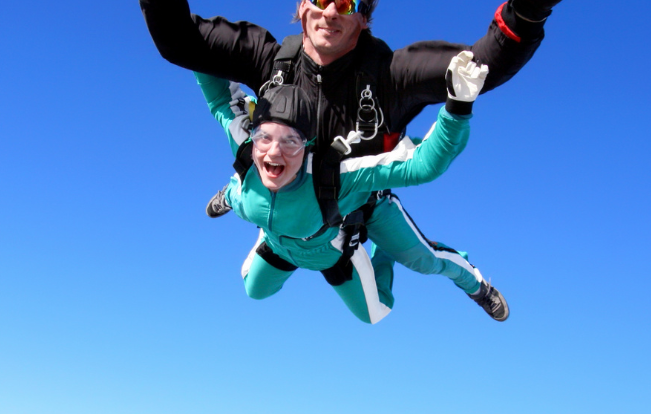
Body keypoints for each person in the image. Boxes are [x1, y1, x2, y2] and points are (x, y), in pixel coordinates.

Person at [116, 0, 587, 320]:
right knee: (254, 159)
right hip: (290, 187)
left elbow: (478, 71)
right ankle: (242, 193)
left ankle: (471, 280)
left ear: (365, 19)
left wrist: (526, 12)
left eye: (346, 3)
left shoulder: (390, 78)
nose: (329, 11)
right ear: (302, 4)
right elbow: (182, 45)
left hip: (364, 200)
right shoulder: (269, 59)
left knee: (419, 262)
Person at [197, 51, 492, 324]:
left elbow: (423, 165)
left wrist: (458, 105)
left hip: (350, 225)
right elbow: (218, 98)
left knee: (400, 285)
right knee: (254, 288)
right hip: (281, 243)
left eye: (290, 141)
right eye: (264, 137)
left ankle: (475, 286)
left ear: (308, 146)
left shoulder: (336, 174)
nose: (273, 153)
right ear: (254, 134)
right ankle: (233, 195)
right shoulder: (248, 154)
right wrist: (177, 27)